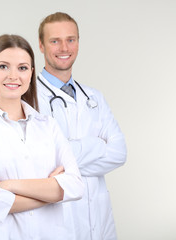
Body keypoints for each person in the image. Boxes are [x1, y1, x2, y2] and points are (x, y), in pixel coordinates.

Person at [0, 34, 84, 240]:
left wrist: (8, 186)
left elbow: (76, 186)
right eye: (3, 66)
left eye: (22, 68)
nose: (13, 76)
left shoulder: (49, 126)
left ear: (31, 73)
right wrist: (50, 192)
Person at [36, 12, 127, 240]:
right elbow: (42, 160)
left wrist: (66, 163)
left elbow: (119, 152)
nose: (64, 47)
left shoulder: (94, 97)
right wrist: (97, 145)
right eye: (54, 41)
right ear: (41, 45)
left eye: (71, 39)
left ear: (78, 42)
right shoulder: (29, 98)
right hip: (56, 221)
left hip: (99, 218)